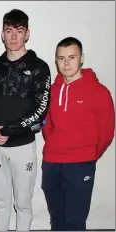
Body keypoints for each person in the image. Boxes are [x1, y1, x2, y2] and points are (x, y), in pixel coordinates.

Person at [0, 9, 51, 231]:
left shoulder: (39, 67)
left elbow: (41, 109)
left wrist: (9, 130)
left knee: (23, 204)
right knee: (0, 202)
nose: (13, 36)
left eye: (18, 31)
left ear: (27, 33)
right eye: (8, 31)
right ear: (2, 34)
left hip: (23, 146)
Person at [41, 37, 115, 231]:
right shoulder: (51, 91)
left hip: (80, 165)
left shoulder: (99, 92)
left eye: (72, 57)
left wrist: (88, 156)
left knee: (75, 222)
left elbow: (107, 132)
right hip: (52, 163)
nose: (66, 63)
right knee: (57, 220)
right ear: (56, 60)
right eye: (61, 58)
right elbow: (46, 122)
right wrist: (54, 144)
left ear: (81, 58)